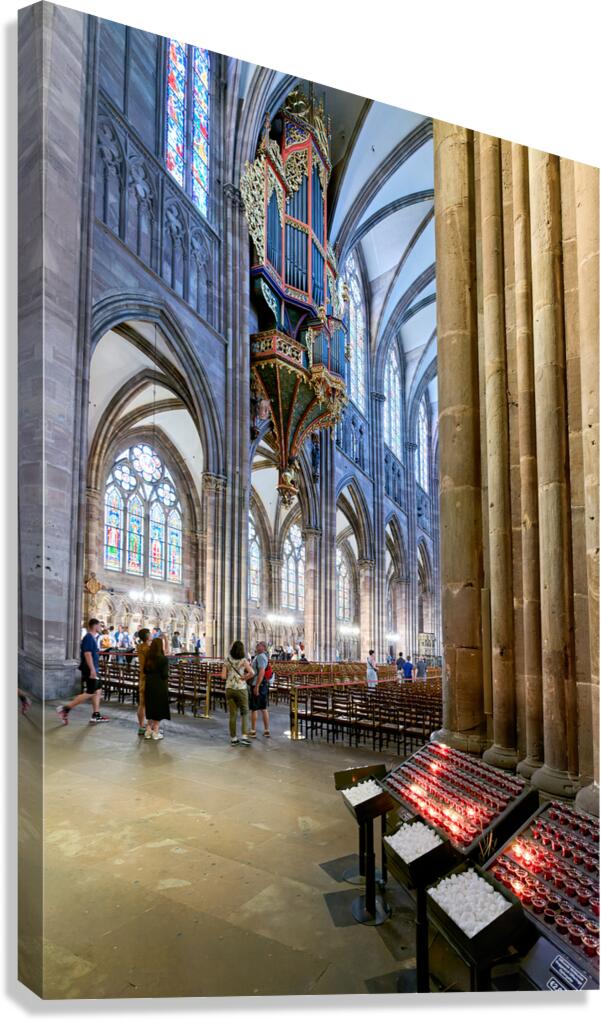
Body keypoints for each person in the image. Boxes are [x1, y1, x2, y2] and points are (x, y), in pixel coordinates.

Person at [56, 618, 110, 725]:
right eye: (99, 625)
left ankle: (96, 715)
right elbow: (87, 654)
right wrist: (92, 670)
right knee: (91, 691)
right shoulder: (89, 638)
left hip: (93, 668)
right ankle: (65, 708)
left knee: (98, 690)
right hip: (90, 669)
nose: (101, 628)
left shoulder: (93, 638)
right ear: (95, 626)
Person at [221, 640, 254, 746]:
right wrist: (244, 677)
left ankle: (233, 738)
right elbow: (252, 672)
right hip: (241, 688)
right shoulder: (244, 660)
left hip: (230, 689)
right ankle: (244, 736)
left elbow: (223, 676)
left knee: (232, 714)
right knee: (245, 712)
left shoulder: (227, 660)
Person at [143, 637, 170, 740]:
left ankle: (148, 730)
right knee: (158, 708)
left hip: (149, 685)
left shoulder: (148, 658)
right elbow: (164, 675)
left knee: (150, 707)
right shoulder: (163, 659)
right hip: (159, 686)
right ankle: (156, 732)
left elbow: (145, 671)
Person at [249, 641, 270, 738]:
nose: (257, 645)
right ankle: (266, 730)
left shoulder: (261, 656)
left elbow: (261, 672)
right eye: (257, 644)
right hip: (261, 685)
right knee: (263, 708)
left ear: (264, 647)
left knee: (255, 709)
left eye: (260, 644)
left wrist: (257, 686)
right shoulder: (260, 656)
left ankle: (253, 731)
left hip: (259, 685)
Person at [135, 627, 152, 735]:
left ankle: (141, 726)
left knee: (142, 704)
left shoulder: (139, 646)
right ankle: (150, 728)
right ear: (147, 636)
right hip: (149, 677)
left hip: (142, 676)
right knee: (150, 704)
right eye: (150, 633)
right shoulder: (148, 648)